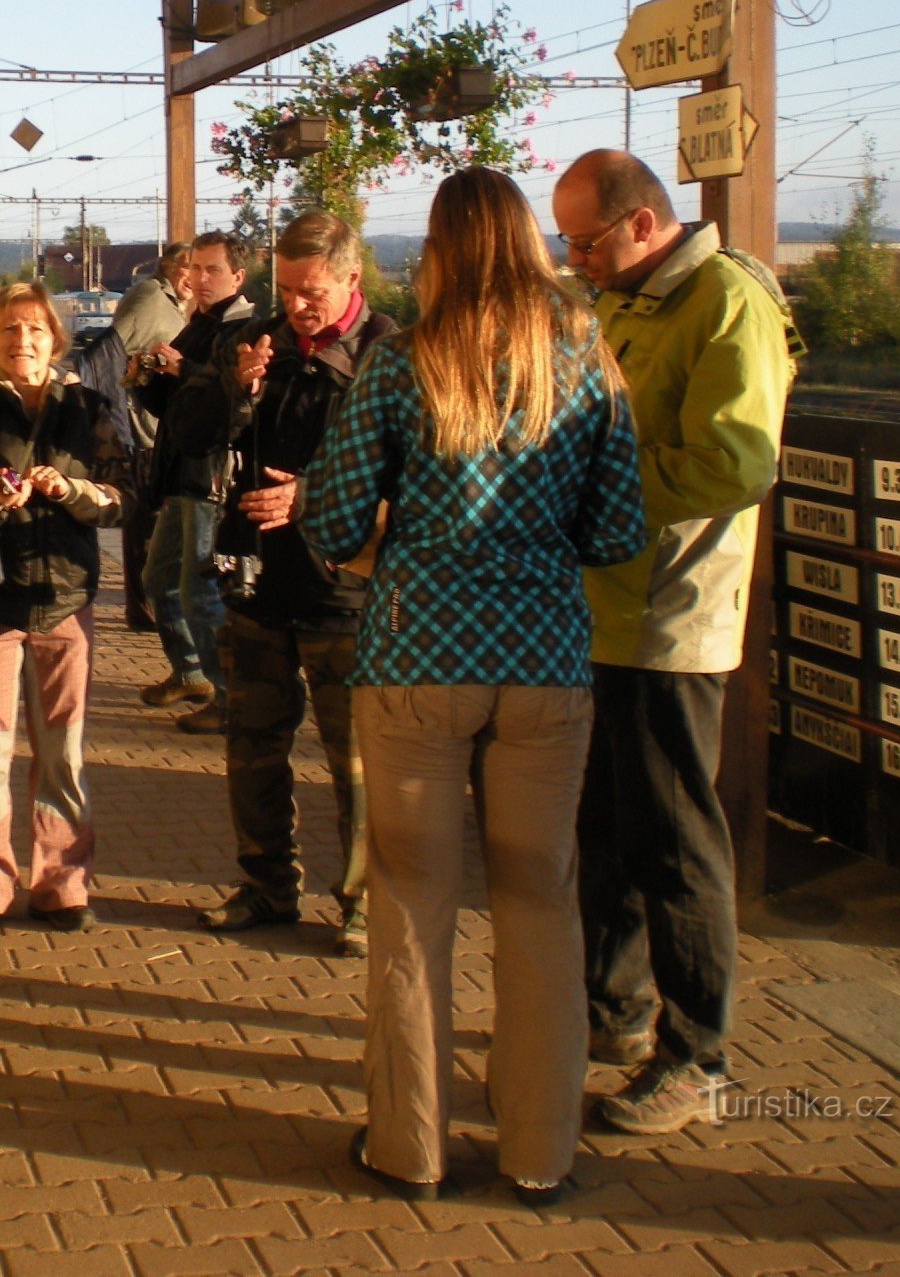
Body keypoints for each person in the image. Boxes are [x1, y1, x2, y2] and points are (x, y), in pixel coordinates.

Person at [301, 168, 646, 1206]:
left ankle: (408, 1148)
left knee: (410, 905)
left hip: (415, 659)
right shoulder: (583, 358)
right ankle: (540, 1150)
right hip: (544, 663)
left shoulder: (403, 359)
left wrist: (397, 541)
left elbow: (326, 519)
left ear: (443, 246)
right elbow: (620, 528)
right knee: (540, 899)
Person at [553, 149, 799, 1135]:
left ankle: (697, 1058)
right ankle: (609, 1015)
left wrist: (595, 483)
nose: (573, 258)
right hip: (598, 608)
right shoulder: (623, 296)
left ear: (644, 222)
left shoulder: (723, 301)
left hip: (666, 618)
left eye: (585, 240)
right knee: (601, 830)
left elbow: (735, 459)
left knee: (673, 840)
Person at [177, 211, 394, 955]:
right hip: (256, 579)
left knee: (355, 761)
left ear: (352, 280)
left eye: (316, 291)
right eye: (291, 288)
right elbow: (185, 436)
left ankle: (363, 900)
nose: (301, 304)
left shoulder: (387, 353)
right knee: (254, 746)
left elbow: (411, 472)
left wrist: (312, 497)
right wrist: (235, 391)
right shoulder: (252, 341)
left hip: (345, 590)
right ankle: (266, 885)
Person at [0, 283, 125, 938]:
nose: (24, 342)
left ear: (55, 338)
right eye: (10, 331)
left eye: (36, 330)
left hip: (64, 600)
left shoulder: (89, 407)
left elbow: (121, 495)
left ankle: (62, 884)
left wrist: (74, 491)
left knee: (62, 754)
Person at [132, 232, 256, 731]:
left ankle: (230, 697)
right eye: (194, 270)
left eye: (211, 271)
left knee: (199, 592)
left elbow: (230, 406)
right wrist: (149, 376)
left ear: (237, 277)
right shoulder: (198, 325)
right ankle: (190, 672)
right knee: (157, 580)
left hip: (211, 478)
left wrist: (183, 371)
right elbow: (172, 408)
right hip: (181, 471)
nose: (199, 280)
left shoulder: (244, 328)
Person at [106, 241, 193, 630]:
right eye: (186, 267)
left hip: (156, 427)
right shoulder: (151, 296)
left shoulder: (172, 303)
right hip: (140, 428)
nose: (193, 277)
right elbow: (112, 349)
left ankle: (147, 606)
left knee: (149, 519)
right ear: (168, 267)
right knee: (143, 520)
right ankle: (143, 609)